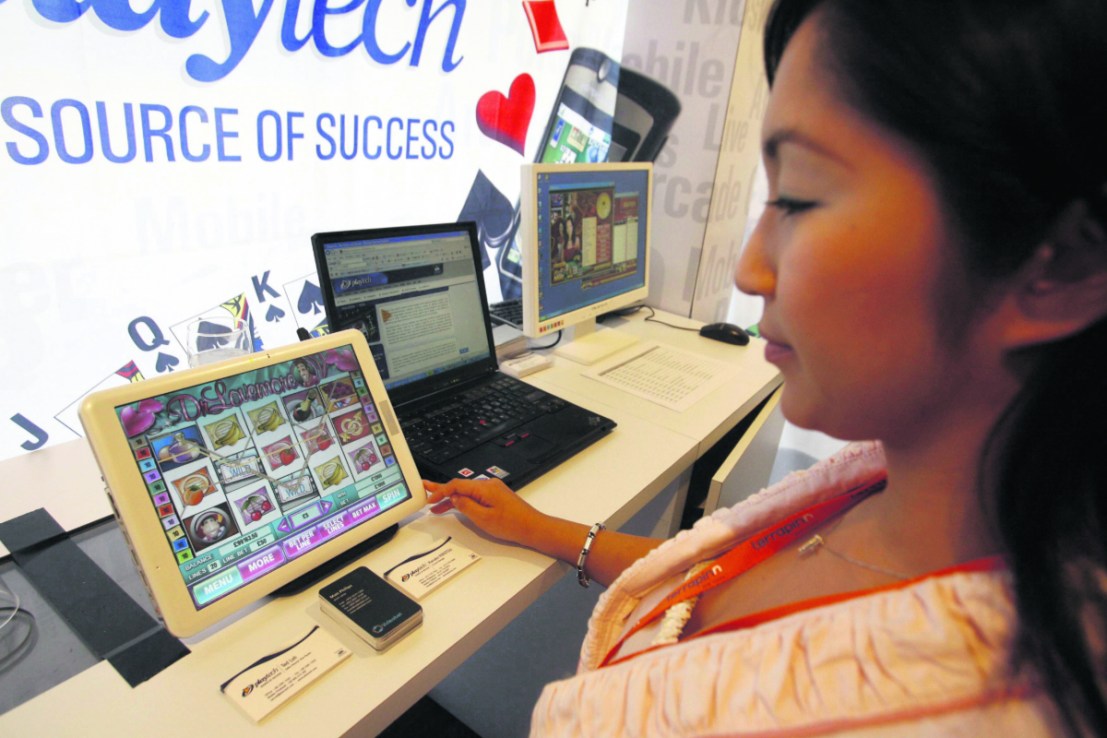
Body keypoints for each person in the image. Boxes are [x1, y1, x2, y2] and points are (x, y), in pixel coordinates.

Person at [425, 0, 1107, 734]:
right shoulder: (896, 489)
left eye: (800, 197)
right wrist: (547, 531)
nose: (750, 269)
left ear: (1060, 267)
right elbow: (727, 576)